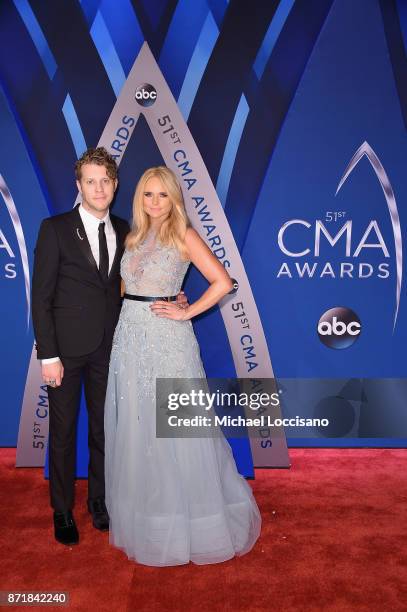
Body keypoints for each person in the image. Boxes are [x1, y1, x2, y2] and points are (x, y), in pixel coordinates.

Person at [104, 166, 261, 566]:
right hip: (130, 340)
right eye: (147, 195)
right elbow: (128, 288)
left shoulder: (184, 234)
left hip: (168, 344)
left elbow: (223, 283)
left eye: (162, 195)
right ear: (139, 198)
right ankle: (150, 519)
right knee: (138, 429)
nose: (155, 203)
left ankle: (195, 524)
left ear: (174, 197)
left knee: (174, 431)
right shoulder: (133, 236)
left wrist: (186, 312)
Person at [32, 148, 187, 546]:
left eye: (105, 181)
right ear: (79, 185)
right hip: (64, 353)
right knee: (64, 432)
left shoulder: (128, 230)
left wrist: (175, 296)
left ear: (116, 185)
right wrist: (48, 355)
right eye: (90, 181)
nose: (98, 188)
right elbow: (41, 298)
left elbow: (131, 285)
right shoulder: (55, 228)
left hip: (113, 348)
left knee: (106, 430)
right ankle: (63, 509)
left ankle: (99, 502)